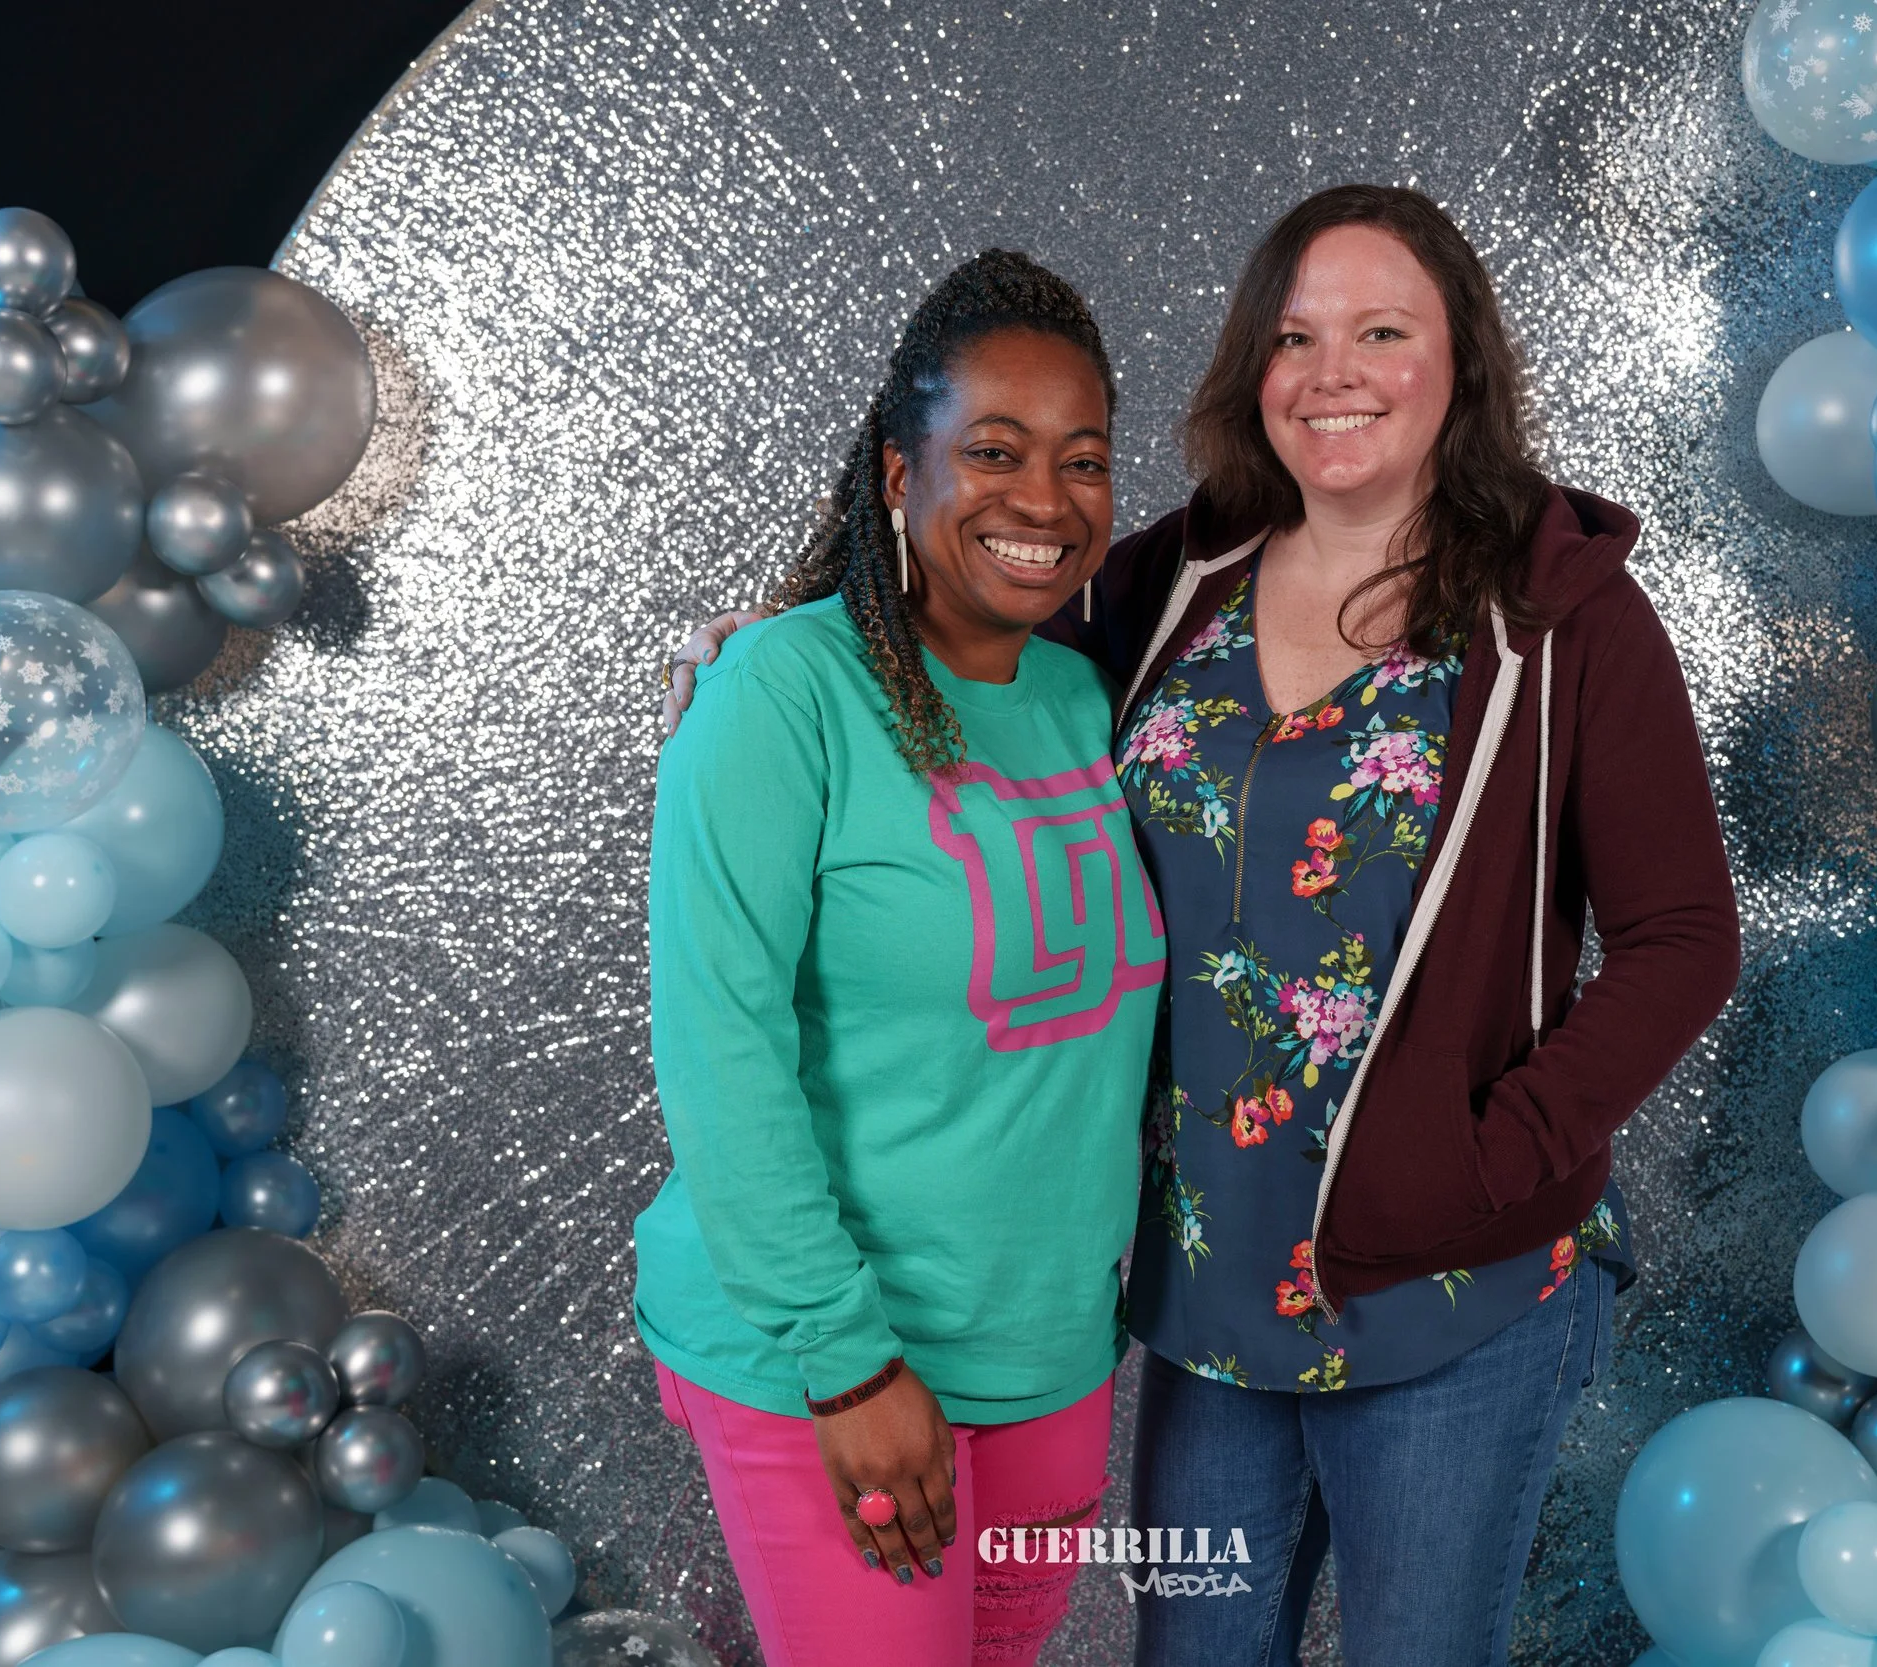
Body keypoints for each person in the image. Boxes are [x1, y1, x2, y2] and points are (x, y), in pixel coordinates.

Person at [663, 186, 1740, 1666]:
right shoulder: (1168, 586)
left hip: (1447, 1284)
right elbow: (945, 638)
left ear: (1463, 366)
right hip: (1208, 1289)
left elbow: (1685, 937)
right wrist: (762, 648)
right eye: (1296, 336)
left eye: (1383, 330)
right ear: (1253, 370)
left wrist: (1491, 1152)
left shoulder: (1557, 617)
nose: (1334, 371)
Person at [636, 248, 1166, 1667]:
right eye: (991, 451)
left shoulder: (1082, 695)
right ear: (895, 472)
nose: (1042, 501)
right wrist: (845, 1358)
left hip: (1047, 1351)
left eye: (1083, 460)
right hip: (835, 1357)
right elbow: (717, 1043)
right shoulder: (783, 690)